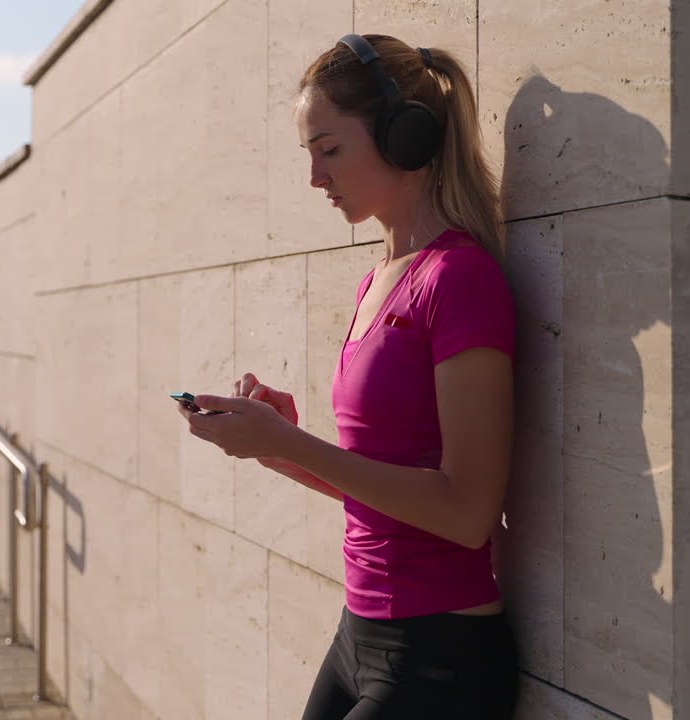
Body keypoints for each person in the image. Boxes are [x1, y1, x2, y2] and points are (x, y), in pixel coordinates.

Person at [177, 34, 519, 719]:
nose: (315, 178)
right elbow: (374, 488)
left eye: (329, 150)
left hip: (441, 652)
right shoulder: (377, 280)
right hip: (357, 634)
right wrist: (273, 443)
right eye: (309, 155)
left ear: (405, 136)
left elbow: (466, 512)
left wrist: (296, 445)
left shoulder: (461, 279)